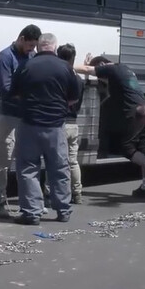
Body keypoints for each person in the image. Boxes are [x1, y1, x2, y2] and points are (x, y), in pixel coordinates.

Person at [9, 33, 81, 224]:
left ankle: (32, 213)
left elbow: (14, 94)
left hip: (29, 125)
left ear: (39, 47)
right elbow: (73, 98)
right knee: (59, 168)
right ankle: (63, 210)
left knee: (28, 169)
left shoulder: (25, 66)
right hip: (56, 126)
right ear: (54, 47)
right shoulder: (66, 68)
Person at [74, 56, 145, 198]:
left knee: (124, 146)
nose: (101, 80)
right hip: (144, 107)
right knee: (142, 149)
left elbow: (87, 69)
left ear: (102, 65)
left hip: (134, 112)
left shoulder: (111, 69)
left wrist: (65, 65)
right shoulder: (125, 69)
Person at [0, 25, 40, 218]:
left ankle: (28, 201)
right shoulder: (5, 57)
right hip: (9, 115)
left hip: (26, 116)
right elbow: (5, 90)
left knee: (28, 160)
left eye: (34, 46)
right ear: (21, 38)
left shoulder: (32, 57)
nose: (31, 50)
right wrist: (31, 96)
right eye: (29, 45)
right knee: (4, 159)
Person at [57, 44, 85, 206]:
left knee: (55, 160)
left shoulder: (61, 76)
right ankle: (77, 193)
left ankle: (50, 192)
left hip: (60, 123)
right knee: (72, 161)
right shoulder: (78, 79)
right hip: (74, 124)